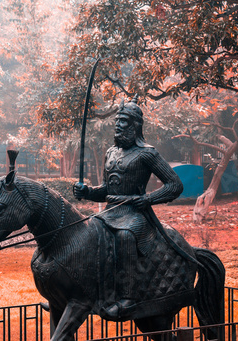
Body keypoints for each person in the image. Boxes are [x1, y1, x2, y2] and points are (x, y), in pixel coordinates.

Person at [73, 95, 183, 318]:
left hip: (135, 214)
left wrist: (149, 198)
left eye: (123, 121)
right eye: (117, 121)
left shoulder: (147, 153)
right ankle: (79, 293)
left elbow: (175, 185)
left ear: (135, 125)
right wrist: (88, 192)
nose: (118, 125)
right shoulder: (111, 153)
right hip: (110, 212)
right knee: (86, 234)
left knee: (124, 237)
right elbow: (106, 189)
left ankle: (128, 298)